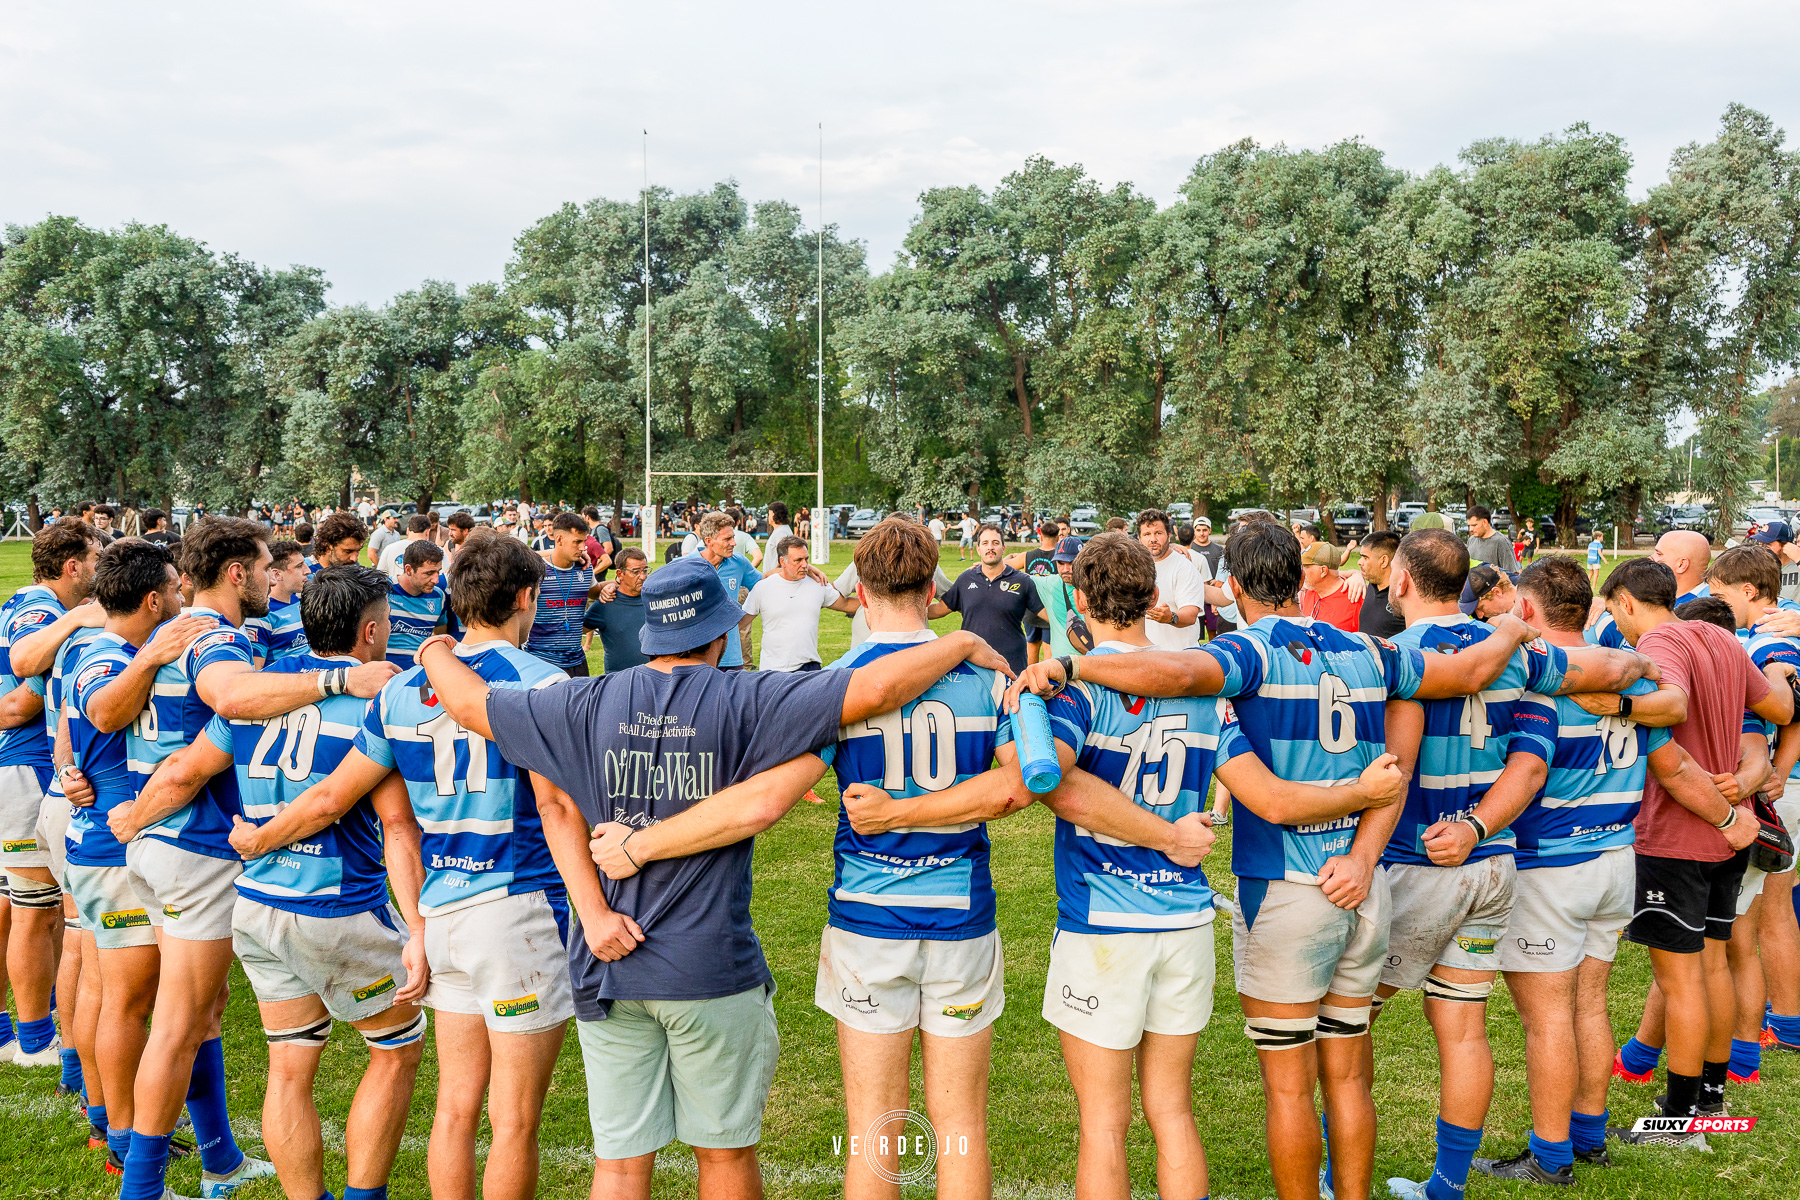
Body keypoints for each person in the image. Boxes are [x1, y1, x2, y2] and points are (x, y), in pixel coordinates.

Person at [999, 522, 1643, 1200]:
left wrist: (1072, 666)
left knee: (1288, 1084)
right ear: (1302, 576)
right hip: (1364, 882)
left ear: (1238, 587)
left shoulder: (1245, 651)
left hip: (1290, 888)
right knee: (1348, 1073)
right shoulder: (1372, 648)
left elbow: (1184, 674)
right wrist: (1552, 645)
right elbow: (1480, 674)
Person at [417, 547, 1014, 1200]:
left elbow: (473, 706)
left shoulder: (582, 701)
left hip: (608, 959)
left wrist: (432, 652)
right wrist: (959, 646)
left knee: (618, 1165)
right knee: (725, 1159)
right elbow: (872, 689)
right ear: (724, 629)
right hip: (709, 961)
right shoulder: (751, 695)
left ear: (649, 629)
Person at [263, 533, 577, 1200]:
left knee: (456, 1107)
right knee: (515, 1119)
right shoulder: (547, 683)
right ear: (526, 597)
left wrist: (416, 931)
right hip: (516, 909)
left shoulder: (401, 689)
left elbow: (393, 825)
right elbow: (564, 810)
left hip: (441, 911)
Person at [102, 518, 399, 1200]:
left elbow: (104, 719)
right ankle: (141, 1187)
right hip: (198, 847)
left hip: (165, 839)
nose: (276, 579)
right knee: (178, 1021)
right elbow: (233, 701)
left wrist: (128, 815)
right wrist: (338, 685)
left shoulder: (161, 633)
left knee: (202, 1015)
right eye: (268, 567)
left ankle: (219, 1161)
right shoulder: (215, 640)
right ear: (237, 572)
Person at [156, 565, 428, 1200]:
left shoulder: (262, 692)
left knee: (288, 1065)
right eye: (387, 622)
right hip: (335, 908)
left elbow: (185, 770)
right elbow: (394, 825)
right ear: (370, 631)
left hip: (255, 906)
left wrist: (126, 815)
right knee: (395, 1050)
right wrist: (416, 926)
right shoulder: (375, 701)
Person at [1371, 529, 1604, 1200]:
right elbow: (1530, 767)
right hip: (1493, 861)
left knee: (1349, 1019)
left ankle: (1334, 1170)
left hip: (1416, 861)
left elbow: (1387, 766)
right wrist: (1477, 827)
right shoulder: (1524, 658)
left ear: (1403, 583)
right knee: (1462, 1024)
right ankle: (1446, 1185)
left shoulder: (1393, 655)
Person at [1476, 556, 1723, 1179]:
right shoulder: (1629, 682)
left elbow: (1524, 772)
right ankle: (1587, 1135)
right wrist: (1727, 818)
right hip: (1616, 857)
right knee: (1587, 1002)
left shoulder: (1540, 679)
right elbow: (1675, 768)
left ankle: (1552, 1154)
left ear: (1526, 610)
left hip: (1553, 866)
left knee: (1550, 1015)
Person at [1593, 558, 1779, 1147]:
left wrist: (1616, 703)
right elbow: (1776, 707)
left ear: (1624, 600)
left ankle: (1676, 1122)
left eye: (1611, 612)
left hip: (1679, 830)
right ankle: (1708, 1102)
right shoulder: (1722, 638)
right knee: (1713, 964)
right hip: (1726, 833)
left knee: (1681, 982)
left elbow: (1670, 709)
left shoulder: (1662, 639)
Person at [59, 539, 214, 1177]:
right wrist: (152, 654)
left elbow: (68, 722)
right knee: (128, 1000)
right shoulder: (105, 650)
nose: (181, 602)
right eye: (175, 591)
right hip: (108, 844)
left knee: (115, 992)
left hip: (103, 836)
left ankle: (110, 1123)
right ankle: (122, 1140)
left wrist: (67, 765)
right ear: (153, 600)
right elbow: (98, 708)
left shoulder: (105, 648)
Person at [0, 519, 107, 1075]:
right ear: (73, 566)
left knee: (36, 912)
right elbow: (19, 687)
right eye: (95, 556)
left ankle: (29, 1032)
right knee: (37, 915)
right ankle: (34, 1038)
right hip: (25, 769)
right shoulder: (41, 611)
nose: (101, 566)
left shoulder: (33, 605)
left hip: (30, 771)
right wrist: (75, 618)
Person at [940, 524, 1046, 675]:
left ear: (1003, 548)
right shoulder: (965, 579)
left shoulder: (1022, 581)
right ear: (978, 549)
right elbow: (940, 609)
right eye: (985, 543)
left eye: (995, 543)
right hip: (972, 665)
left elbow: (1049, 615)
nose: (990, 547)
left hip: (1011, 665)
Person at [1586, 529, 1713, 650]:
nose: (1650, 558)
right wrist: (1612, 605)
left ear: (1681, 565)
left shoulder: (1706, 611)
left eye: (1658, 553)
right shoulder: (1653, 592)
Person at [741, 536, 852, 672]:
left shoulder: (818, 584)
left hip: (809, 668)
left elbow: (846, 604)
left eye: (806, 559)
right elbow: (740, 623)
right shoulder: (763, 587)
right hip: (772, 672)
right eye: (798, 560)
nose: (805, 565)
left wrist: (880, 603)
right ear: (783, 561)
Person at [527, 512, 600, 677]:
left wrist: (616, 584)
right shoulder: (536, 571)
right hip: (542, 664)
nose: (583, 547)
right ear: (558, 539)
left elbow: (597, 593)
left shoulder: (585, 569)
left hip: (578, 663)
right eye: (577, 542)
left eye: (584, 541)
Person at [1137, 509, 1207, 651]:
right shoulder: (1136, 567)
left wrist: (1171, 617)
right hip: (1146, 658)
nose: (1153, 539)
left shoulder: (1184, 567)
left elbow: (1191, 614)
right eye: (1147, 534)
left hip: (1179, 657)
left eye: (1158, 533)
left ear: (1169, 536)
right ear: (1139, 538)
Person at [583, 547, 652, 673]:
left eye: (645, 570)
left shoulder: (653, 598)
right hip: (618, 682)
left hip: (654, 680)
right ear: (620, 574)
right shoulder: (605, 604)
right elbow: (575, 631)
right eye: (636, 572)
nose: (642, 576)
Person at [245, 539, 311, 664]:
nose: (307, 570)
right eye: (299, 566)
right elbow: (256, 673)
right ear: (277, 574)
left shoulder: (296, 600)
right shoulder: (261, 616)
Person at [1006, 521, 1063, 664]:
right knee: (1049, 650)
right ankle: (1049, 682)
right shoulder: (1062, 559)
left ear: (1040, 536)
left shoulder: (1027, 556)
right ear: (1058, 537)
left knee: (1031, 647)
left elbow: (1003, 567)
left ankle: (1031, 681)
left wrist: (1008, 556)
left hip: (1030, 610)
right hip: (1051, 611)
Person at [386, 540, 449, 667]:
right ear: (408, 569)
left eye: (438, 572)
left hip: (420, 675)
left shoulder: (438, 597)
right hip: (385, 675)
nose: (436, 580)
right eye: (429, 573)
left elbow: (440, 637)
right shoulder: (383, 590)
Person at [1354, 530, 1404, 639]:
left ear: (1384, 561)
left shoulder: (1403, 596)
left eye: (1365, 557)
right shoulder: (1372, 585)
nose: (1359, 562)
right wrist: (1355, 575)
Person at [1298, 543, 1357, 631]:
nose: (1301, 571)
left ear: (1323, 571)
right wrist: (1356, 573)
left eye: (1306, 566)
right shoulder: (1309, 590)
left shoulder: (1354, 597)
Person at [1751, 519, 1800, 602]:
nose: (1762, 549)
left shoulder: (1797, 565)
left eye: (1767, 545)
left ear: (1785, 545)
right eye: (1760, 544)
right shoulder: (1760, 565)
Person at [378, 513, 432, 579]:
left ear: (408, 530)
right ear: (428, 532)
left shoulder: (389, 549)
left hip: (395, 588)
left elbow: (380, 574)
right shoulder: (436, 551)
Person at [1465, 507, 1518, 572]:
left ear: (1485, 522)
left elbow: (1512, 574)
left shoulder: (1501, 542)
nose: (1471, 529)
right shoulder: (1471, 540)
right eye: (1469, 526)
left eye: (1474, 525)